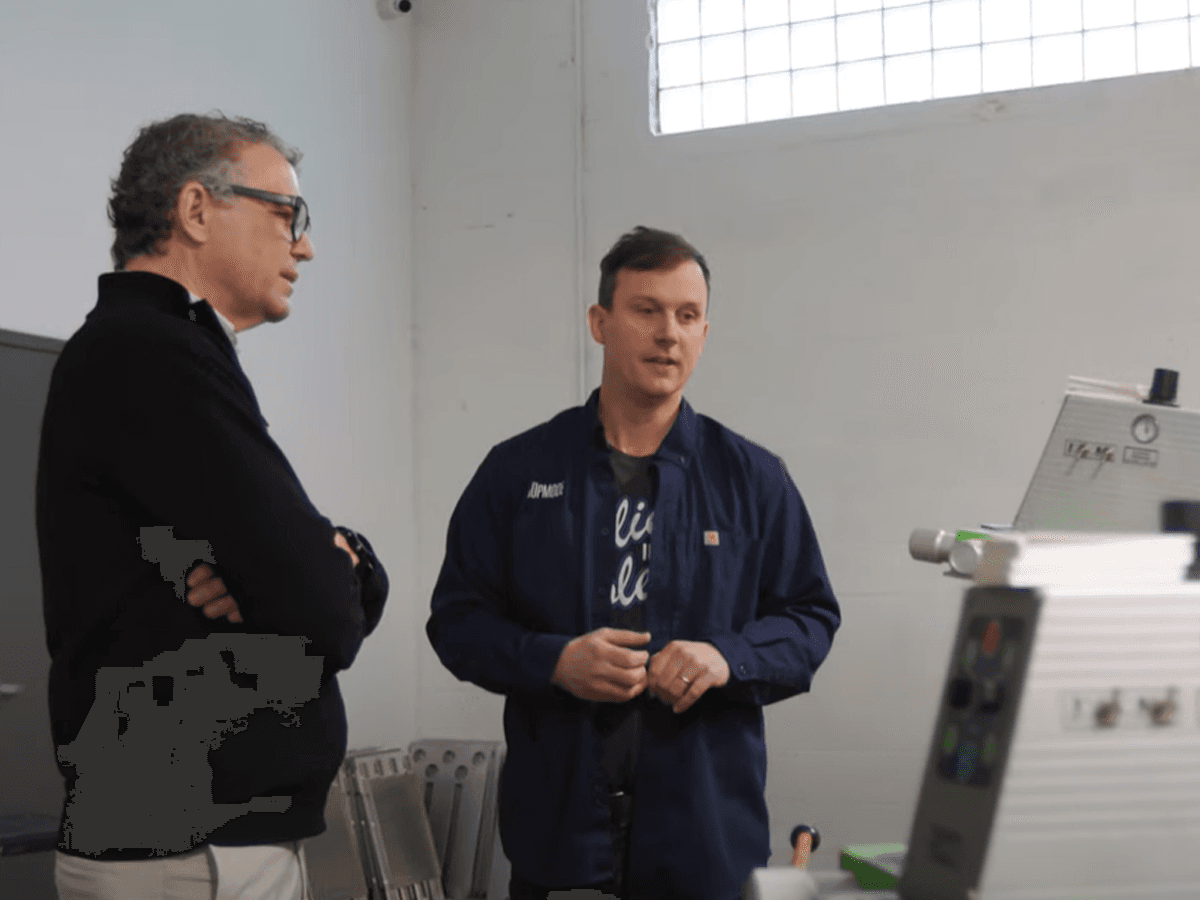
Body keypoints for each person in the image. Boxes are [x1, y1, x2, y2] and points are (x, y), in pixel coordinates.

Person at [426, 226, 841, 900]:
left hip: (704, 844)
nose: (668, 334)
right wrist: (553, 661)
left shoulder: (753, 480)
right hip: (558, 842)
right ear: (600, 322)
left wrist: (727, 657)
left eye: (687, 315)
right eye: (647, 310)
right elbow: (457, 622)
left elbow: (811, 619)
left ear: (704, 332)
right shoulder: (518, 472)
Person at [36, 112, 388, 900]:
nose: (304, 246)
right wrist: (322, 571)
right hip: (190, 854)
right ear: (196, 210)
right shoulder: (150, 351)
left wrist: (333, 561)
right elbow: (322, 607)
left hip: (188, 844)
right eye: (287, 213)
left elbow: (304, 572)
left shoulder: (158, 349)